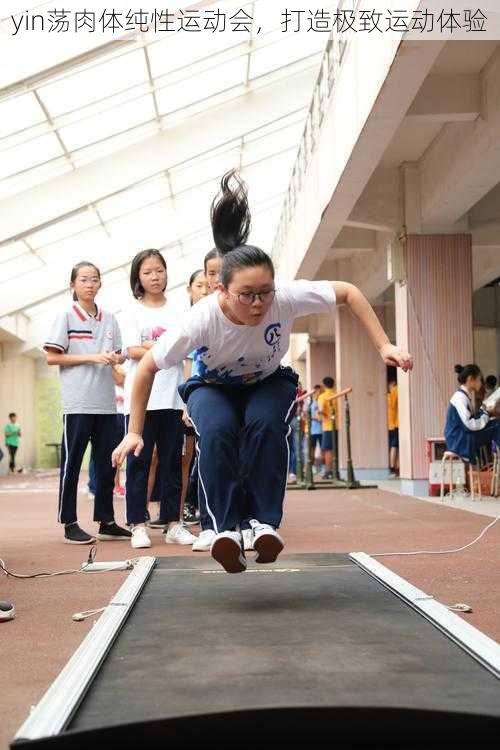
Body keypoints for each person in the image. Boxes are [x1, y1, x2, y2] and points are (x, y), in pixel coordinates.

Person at [113, 170, 413, 574]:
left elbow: (348, 292)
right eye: (247, 295)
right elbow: (147, 366)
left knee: (265, 426)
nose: (258, 304)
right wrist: (134, 429)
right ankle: (224, 530)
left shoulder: (284, 298)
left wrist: (384, 345)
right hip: (214, 385)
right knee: (217, 432)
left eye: (265, 293)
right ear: (222, 290)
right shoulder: (201, 319)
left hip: (268, 381)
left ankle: (261, 523)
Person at [44, 261, 131, 544]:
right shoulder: (66, 316)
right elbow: (52, 357)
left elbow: (117, 357)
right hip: (78, 403)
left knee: (108, 464)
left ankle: (106, 520)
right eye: (83, 279)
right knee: (72, 464)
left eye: (94, 279)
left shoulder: (110, 320)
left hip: (106, 404)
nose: (90, 284)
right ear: (73, 285)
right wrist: (93, 357)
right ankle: (68, 521)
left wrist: (117, 361)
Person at [121, 249, 196, 549]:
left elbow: (186, 348)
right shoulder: (132, 312)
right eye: (148, 272)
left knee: (172, 463)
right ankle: (137, 524)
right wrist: (164, 347)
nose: (155, 277)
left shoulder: (179, 310)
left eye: (159, 270)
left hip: (173, 399)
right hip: (141, 402)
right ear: (138, 277)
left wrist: (154, 346)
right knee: (138, 463)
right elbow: (132, 350)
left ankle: (173, 523)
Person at [444, 364, 500, 465]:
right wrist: (486, 413)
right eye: (479, 380)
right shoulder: (460, 398)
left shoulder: (463, 396)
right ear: (470, 379)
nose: (481, 383)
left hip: (461, 437)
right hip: (460, 441)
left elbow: (469, 421)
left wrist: (485, 412)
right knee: (498, 425)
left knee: (495, 423)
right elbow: (470, 424)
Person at [316, 376, 337, 480]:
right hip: (337, 425)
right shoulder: (336, 395)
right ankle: (332, 470)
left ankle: (328, 471)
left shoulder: (322, 397)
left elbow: (320, 412)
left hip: (327, 426)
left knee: (328, 450)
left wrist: (318, 416)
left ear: (324, 385)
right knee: (332, 449)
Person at [310, 385, 324, 475]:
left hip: (322, 430)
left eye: (319, 391)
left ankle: (323, 468)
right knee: (312, 449)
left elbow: (322, 416)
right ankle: (313, 468)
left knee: (323, 449)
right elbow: (310, 415)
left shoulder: (322, 401)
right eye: (316, 392)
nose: (318, 393)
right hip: (313, 430)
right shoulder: (312, 403)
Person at [387, 379, 399, 478]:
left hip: (393, 423)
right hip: (396, 423)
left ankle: (393, 468)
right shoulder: (394, 391)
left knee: (394, 446)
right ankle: (394, 468)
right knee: (395, 446)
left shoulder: (393, 391)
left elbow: (391, 405)